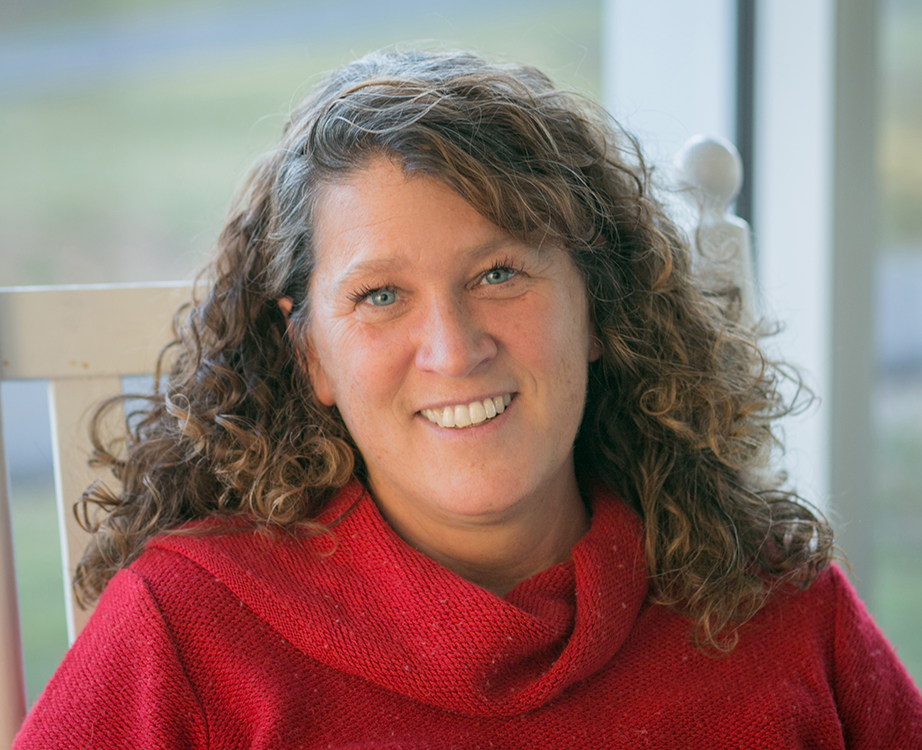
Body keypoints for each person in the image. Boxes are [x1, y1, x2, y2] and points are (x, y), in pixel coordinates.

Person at [14, 49, 922, 748]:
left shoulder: (768, 598)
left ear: (598, 307)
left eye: (498, 273)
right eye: (381, 296)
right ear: (311, 355)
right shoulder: (185, 636)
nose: (454, 350)